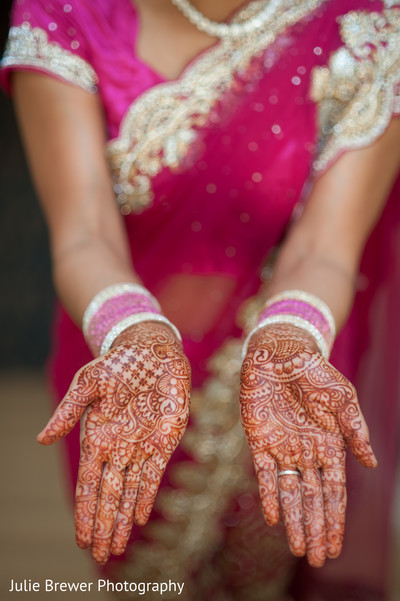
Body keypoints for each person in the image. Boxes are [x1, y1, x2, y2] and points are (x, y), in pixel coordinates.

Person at [1, 0, 400, 599]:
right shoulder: (64, 11)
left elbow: (326, 247)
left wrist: (290, 339)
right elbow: (84, 229)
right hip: (121, 365)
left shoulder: (371, 22)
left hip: (291, 366)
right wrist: (133, 334)